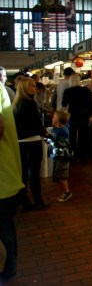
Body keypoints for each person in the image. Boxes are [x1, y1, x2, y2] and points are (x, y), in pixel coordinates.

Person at [13, 77, 50, 211]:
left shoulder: (17, 103)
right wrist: (47, 134)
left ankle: (25, 202)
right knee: (34, 174)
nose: (35, 88)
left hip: (20, 143)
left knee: (23, 175)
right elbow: (36, 124)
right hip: (32, 142)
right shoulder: (30, 103)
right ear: (26, 88)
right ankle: (38, 200)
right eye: (33, 86)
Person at [0, 80, 24, 281]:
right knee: (5, 228)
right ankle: (9, 269)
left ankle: (7, 270)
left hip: (3, 181)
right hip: (8, 177)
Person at [62, 74, 92, 163]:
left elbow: (64, 104)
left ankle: (73, 155)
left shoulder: (67, 91)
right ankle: (82, 156)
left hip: (72, 116)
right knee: (83, 136)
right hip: (84, 116)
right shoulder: (84, 90)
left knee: (72, 136)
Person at [49, 110, 73, 203]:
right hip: (59, 156)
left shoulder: (62, 131)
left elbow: (56, 141)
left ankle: (67, 192)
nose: (52, 118)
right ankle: (66, 191)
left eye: (54, 117)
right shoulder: (61, 128)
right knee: (59, 175)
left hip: (63, 157)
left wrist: (48, 138)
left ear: (58, 120)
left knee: (61, 175)